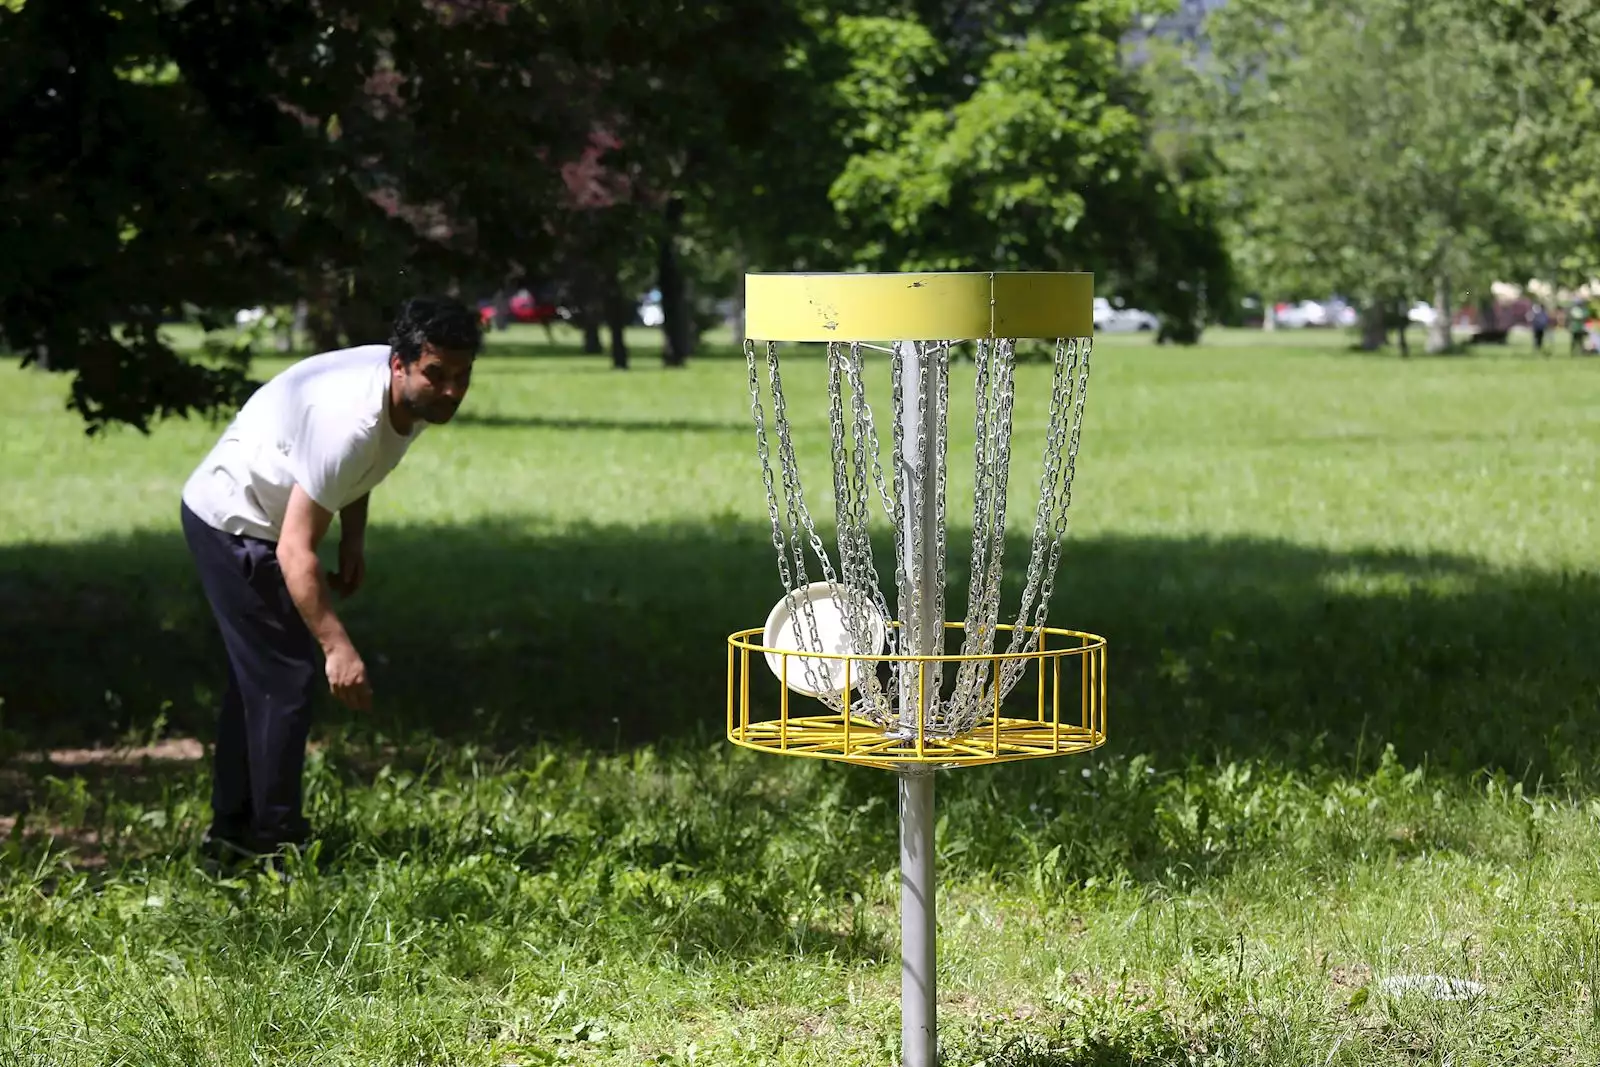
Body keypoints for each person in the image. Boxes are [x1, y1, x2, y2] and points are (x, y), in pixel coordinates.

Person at [179, 295, 482, 861]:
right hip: (232, 518)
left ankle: (230, 833)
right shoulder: (352, 421)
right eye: (437, 376)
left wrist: (354, 537)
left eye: (462, 377)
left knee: (261, 677)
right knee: (284, 677)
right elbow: (295, 551)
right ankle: (274, 843)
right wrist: (337, 647)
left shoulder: (410, 400)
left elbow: (357, 473)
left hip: (267, 519)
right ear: (401, 364)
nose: (450, 391)